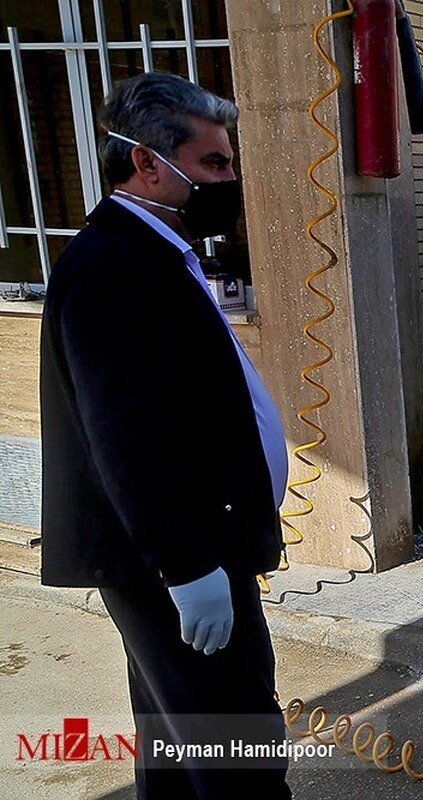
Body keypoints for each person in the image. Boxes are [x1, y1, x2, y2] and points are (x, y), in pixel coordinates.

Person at [39, 72, 291, 799]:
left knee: (179, 742)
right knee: (236, 747)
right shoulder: (112, 267)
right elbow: (126, 435)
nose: (230, 179)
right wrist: (187, 567)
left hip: (188, 550)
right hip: (177, 559)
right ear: (147, 163)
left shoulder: (153, 252)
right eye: (214, 164)